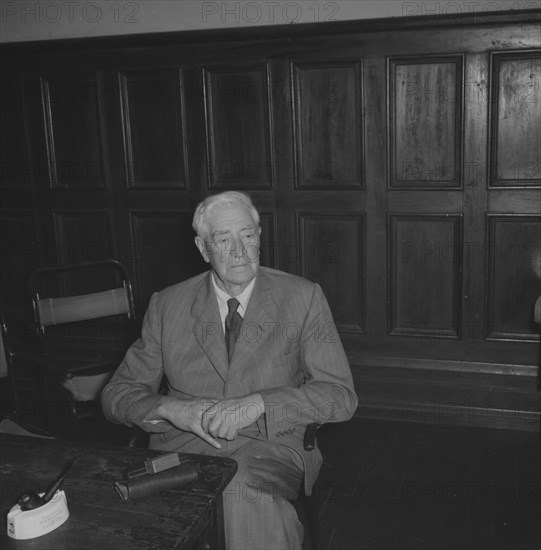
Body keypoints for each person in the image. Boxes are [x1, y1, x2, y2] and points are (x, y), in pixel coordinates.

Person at [101, 191, 358, 550]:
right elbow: (116, 395)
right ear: (203, 249)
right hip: (185, 448)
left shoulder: (303, 297)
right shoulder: (167, 304)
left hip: (270, 445)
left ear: (259, 237)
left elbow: (340, 397)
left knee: (240, 491)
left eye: (248, 236)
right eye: (224, 240)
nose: (240, 251)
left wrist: (259, 403)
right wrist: (169, 408)